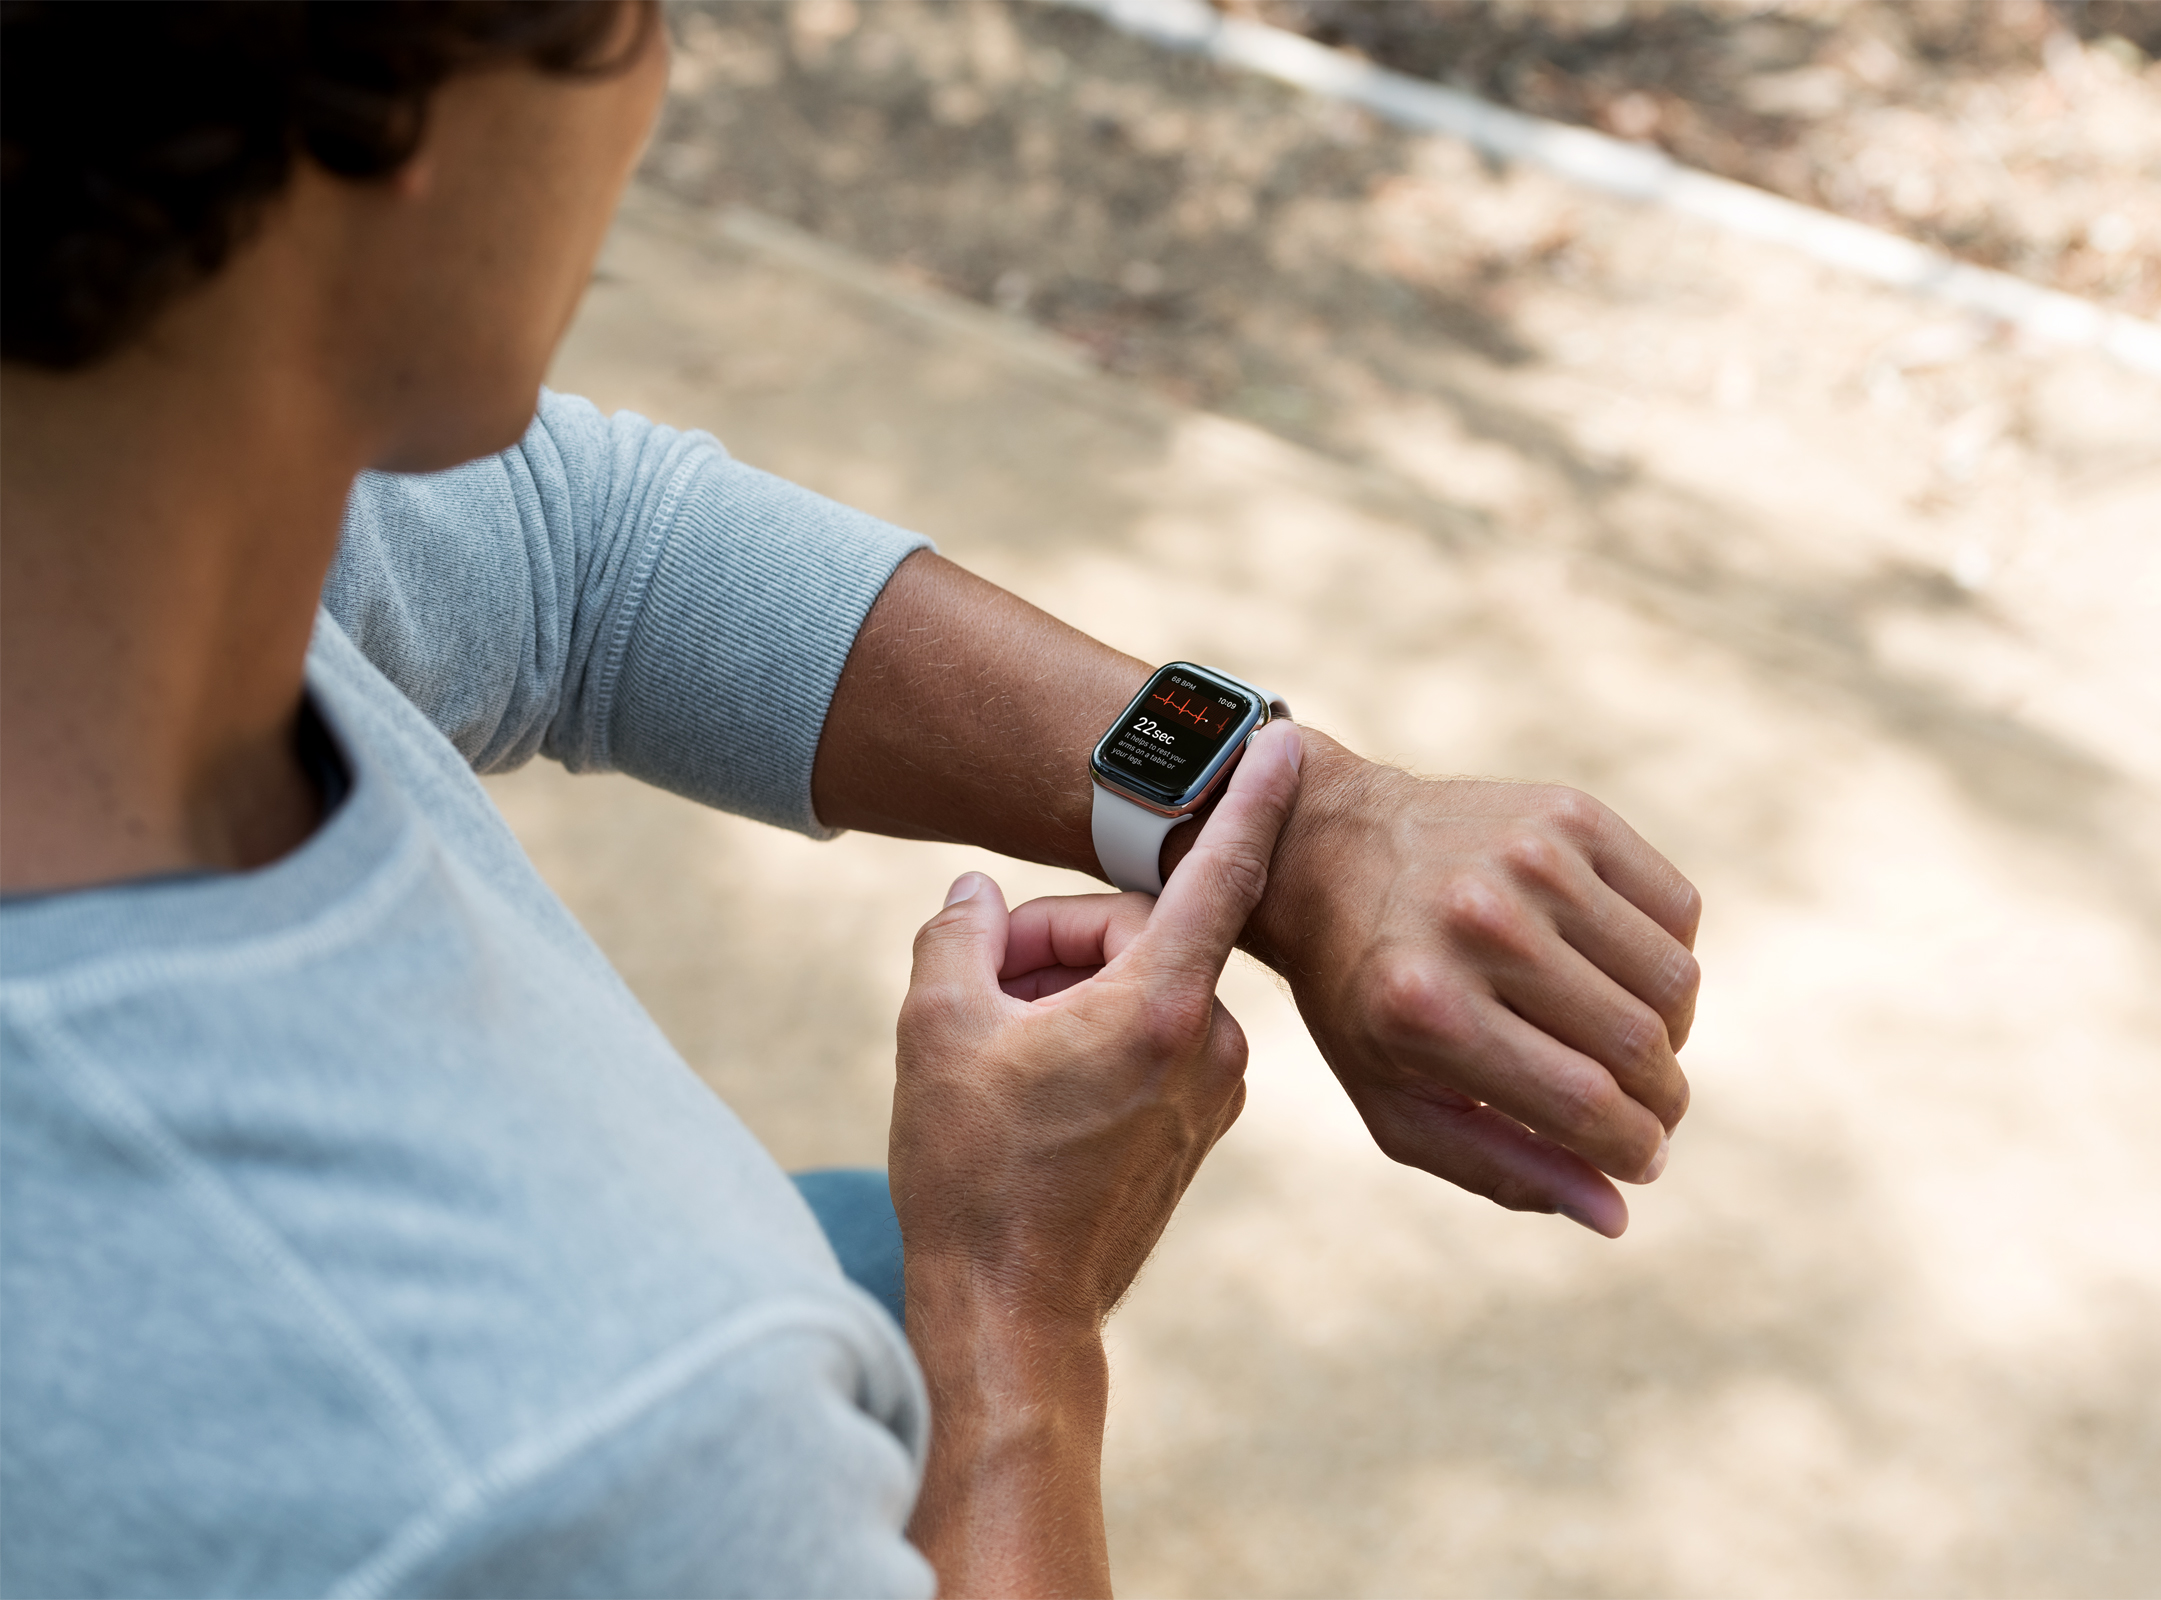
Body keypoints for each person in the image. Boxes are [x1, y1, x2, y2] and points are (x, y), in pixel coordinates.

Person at [0, 2, 1701, 1594]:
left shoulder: (121, 481)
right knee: (898, 1280)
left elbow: (576, 558)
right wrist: (1012, 1313)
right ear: (402, 126)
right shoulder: (563, 1448)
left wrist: (1305, 819)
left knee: (857, 1252)